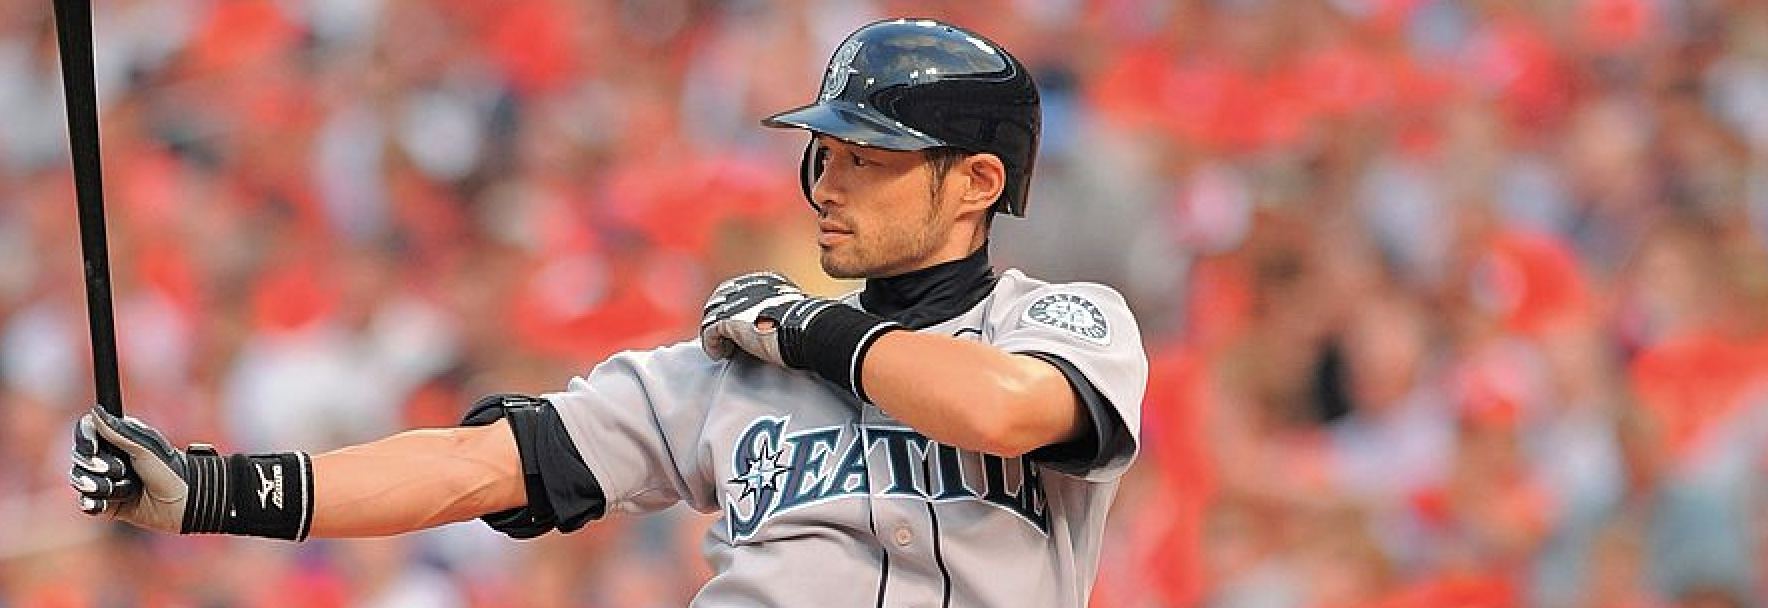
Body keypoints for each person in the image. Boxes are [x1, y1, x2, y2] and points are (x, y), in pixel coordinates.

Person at [69, 18, 1147, 607]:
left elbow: (1010, 411)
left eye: (869, 161)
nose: (827, 182)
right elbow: (478, 462)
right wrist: (212, 490)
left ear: (975, 184)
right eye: (825, 154)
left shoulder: (1053, 319)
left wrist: (816, 329)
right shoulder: (736, 367)